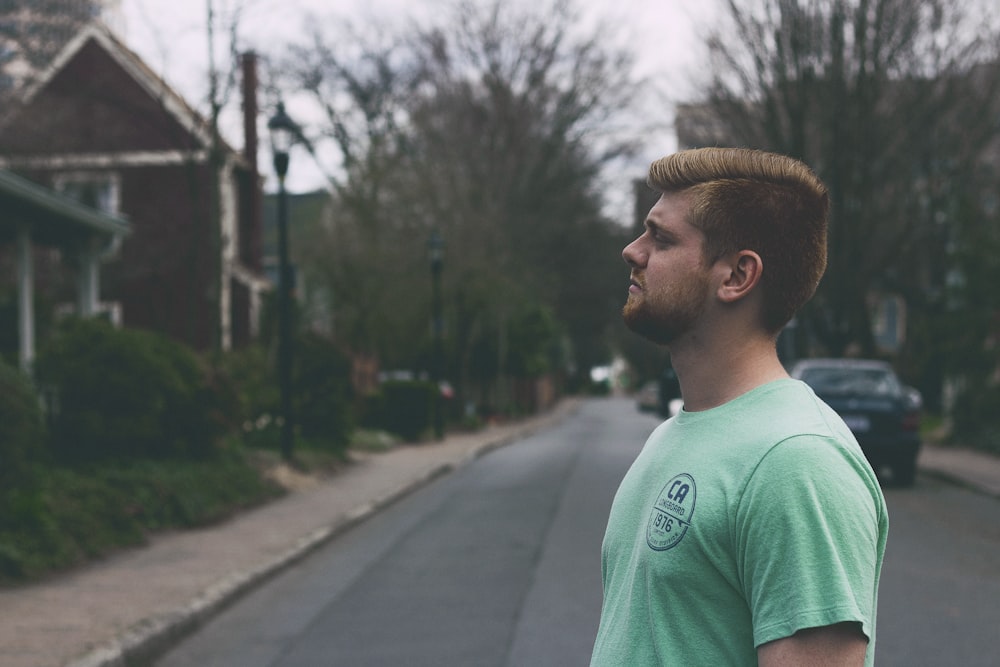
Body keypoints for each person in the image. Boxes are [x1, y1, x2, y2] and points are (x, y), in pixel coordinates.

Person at [590, 147, 888, 666]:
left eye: (661, 238)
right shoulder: (673, 433)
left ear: (736, 276)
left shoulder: (796, 463)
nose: (632, 251)